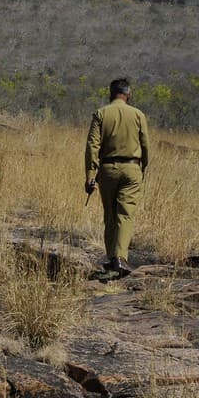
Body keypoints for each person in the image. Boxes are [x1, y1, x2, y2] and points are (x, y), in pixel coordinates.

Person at [84, 78, 150, 278]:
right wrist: (143, 168)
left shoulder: (101, 113)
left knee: (110, 215)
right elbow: (145, 144)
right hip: (132, 168)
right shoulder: (138, 114)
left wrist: (90, 175)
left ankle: (113, 257)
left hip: (107, 169)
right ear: (128, 95)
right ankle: (120, 258)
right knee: (125, 213)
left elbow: (92, 146)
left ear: (111, 93)